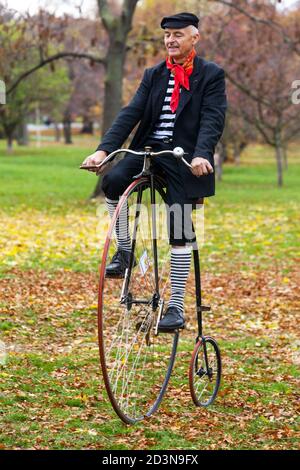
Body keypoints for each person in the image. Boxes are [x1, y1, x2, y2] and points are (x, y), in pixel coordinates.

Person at [82, 12, 227, 331]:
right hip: (149, 148)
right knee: (113, 181)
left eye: (178, 34)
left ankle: (175, 308)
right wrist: (104, 150)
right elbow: (131, 113)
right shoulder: (154, 74)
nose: (171, 40)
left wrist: (203, 154)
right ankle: (125, 248)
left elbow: (212, 119)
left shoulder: (211, 75)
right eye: (167, 35)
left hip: (183, 156)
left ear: (194, 38)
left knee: (179, 223)